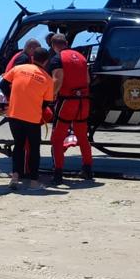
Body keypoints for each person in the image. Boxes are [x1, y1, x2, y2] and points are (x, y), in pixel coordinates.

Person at [0, 47, 54, 191]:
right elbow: (46, 102)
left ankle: (15, 177)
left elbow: (2, 84)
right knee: (34, 148)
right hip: (32, 118)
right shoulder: (48, 79)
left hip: (14, 114)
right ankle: (34, 181)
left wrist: (12, 97)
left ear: (32, 57)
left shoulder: (18, 68)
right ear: (46, 61)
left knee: (19, 145)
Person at [48, 33, 93, 184]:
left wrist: (50, 96)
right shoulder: (81, 57)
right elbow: (87, 80)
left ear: (53, 45)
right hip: (83, 101)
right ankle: (87, 170)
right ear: (66, 42)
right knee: (82, 137)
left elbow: (58, 79)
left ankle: (58, 173)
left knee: (57, 138)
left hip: (67, 102)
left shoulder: (57, 58)